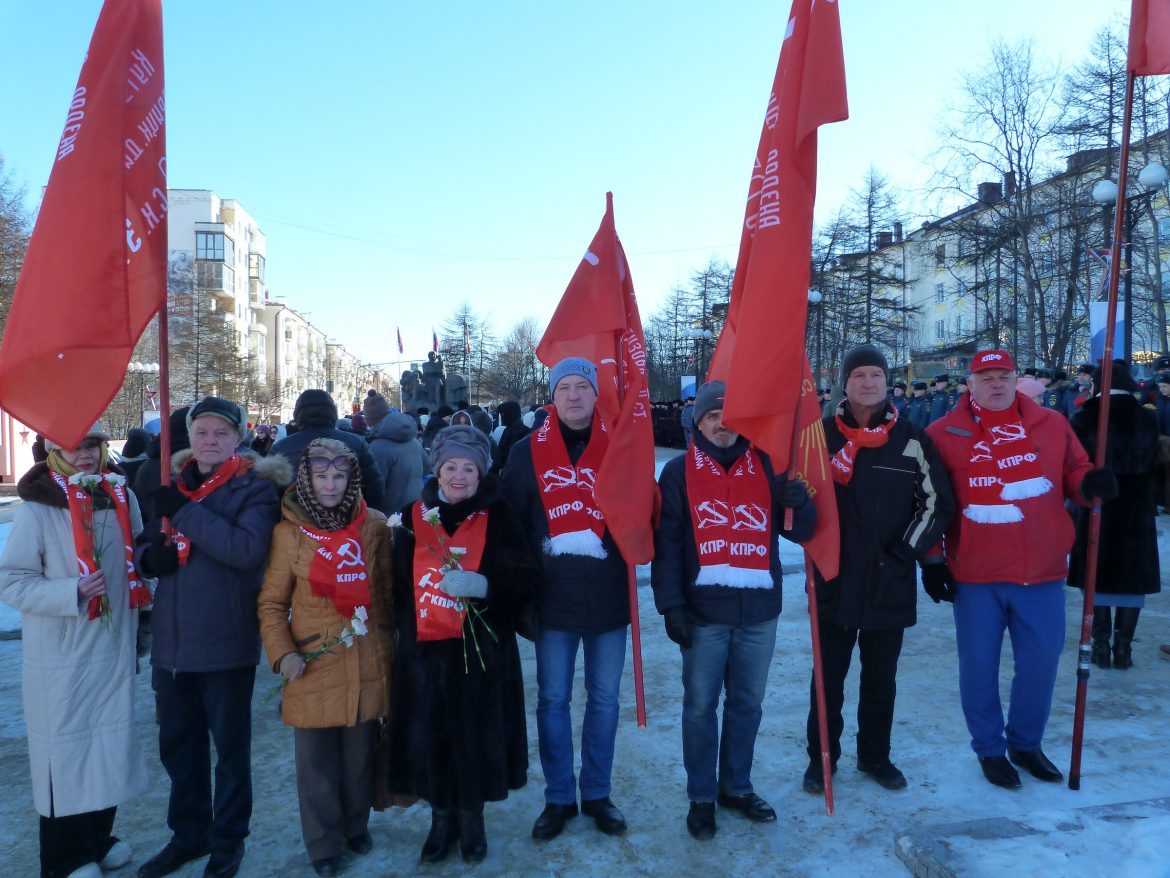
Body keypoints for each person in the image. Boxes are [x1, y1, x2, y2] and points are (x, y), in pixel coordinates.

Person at [926, 350, 1117, 790]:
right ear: (969, 385)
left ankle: (1025, 743)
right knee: (979, 667)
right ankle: (990, 749)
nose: (996, 384)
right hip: (977, 574)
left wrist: (1090, 485)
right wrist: (933, 559)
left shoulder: (1051, 424)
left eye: (1004, 376)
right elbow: (931, 502)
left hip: (1043, 571)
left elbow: (1075, 470)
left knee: (1041, 663)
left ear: (1017, 380)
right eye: (986, 377)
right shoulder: (943, 433)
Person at [652, 381, 816, 839]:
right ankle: (702, 796)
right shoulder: (679, 472)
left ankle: (736, 787)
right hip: (703, 614)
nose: (721, 424)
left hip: (758, 611)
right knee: (701, 707)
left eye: (728, 415)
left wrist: (799, 507)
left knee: (747, 704)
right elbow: (667, 545)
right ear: (698, 422)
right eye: (710, 416)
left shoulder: (768, 465)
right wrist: (671, 606)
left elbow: (801, 532)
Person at [135, 397, 289, 878]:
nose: (209, 441)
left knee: (229, 751)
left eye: (221, 433)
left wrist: (183, 513)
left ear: (238, 437)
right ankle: (189, 834)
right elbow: (147, 542)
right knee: (179, 749)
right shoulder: (173, 483)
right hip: (172, 647)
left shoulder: (254, 488)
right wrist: (146, 560)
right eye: (201, 432)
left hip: (225, 642)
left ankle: (227, 840)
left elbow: (245, 550)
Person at [501, 357, 645, 841]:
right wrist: (522, 595)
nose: (575, 396)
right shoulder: (525, 453)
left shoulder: (621, 446)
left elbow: (643, 508)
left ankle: (598, 793)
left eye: (583, 386)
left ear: (595, 393)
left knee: (604, 700)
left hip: (607, 597)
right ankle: (559, 796)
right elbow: (512, 528)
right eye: (565, 387)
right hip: (552, 599)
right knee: (554, 700)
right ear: (553, 396)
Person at [803, 345, 955, 795]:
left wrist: (904, 551)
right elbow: (798, 500)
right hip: (832, 577)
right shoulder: (820, 436)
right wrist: (793, 510)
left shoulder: (911, 437)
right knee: (827, 680)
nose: (868, 383)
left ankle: (875, 756)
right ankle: (821, 759)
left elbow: (937, 502)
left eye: (876, 375)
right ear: (844, 384)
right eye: (859, 375)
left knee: (880, 678)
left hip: (889, 578)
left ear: (887, 382)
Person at [0, 423, 150, 878]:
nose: (84, 454)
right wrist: (73, 591)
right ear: (51, 451)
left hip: (113, 648)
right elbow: (12, 582)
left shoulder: (121, 495)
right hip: (64, 658)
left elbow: (138, 559)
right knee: (65, 758)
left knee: (107, 751)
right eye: (73, 445)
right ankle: (63, 860)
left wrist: (153, 579)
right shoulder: (38, 509)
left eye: (92, 445)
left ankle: (97, 841)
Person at [387, 425, 534, 864]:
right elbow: (395, 584)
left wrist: (487, 585)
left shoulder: (501, 514)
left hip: (481, 653)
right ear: (437, 468)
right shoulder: (413, 516)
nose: (458, 476)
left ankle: (472, 820)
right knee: (431, 736)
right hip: (424, 652)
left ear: (481, 472)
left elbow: (525, 578)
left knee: (474, 737)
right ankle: (441, 819)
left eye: (468, 468)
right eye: (450, 466)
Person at [257, 440, 394, 877]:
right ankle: (323, 845)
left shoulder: (373, 526)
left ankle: (356, 827)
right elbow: (272, 604)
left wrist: (392, 652)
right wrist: (283, 656)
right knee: (316, 765)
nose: (331, 485)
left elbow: (387, 597)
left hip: (365, 658)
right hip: (312, 662)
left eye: (339, 476)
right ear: (307, 480)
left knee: (359, 758)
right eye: (321, 477)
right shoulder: (289, 533)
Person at [1068, 363, 1160, 669]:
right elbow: (1153, 462)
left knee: (1098, 573)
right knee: (1132, 577)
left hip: (1097, 501)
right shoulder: (1147, 418)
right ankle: (1123, 648)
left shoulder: (1084, 417)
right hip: (1136, 504)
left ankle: (1099, 646)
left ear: (1096, 385)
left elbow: (1074, 463)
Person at [271, 390, 386, 512]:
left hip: (295, 523)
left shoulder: (281, 447)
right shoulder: (357, 443)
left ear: (298, 414)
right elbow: (375, 490)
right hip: (347, 522)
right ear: (332, 412)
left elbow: (270, 495)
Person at [362, 392, 426, 516]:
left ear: (370, 420)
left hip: (391, 514)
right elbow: (427, 466)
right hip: (417, 508)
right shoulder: (412, 439)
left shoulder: (377, 448)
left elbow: (374, 488)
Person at [491, 400, 529, 474]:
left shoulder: (519, 432)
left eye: (503, 414)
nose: (501, 417)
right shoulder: (509, 429)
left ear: (509, 414)